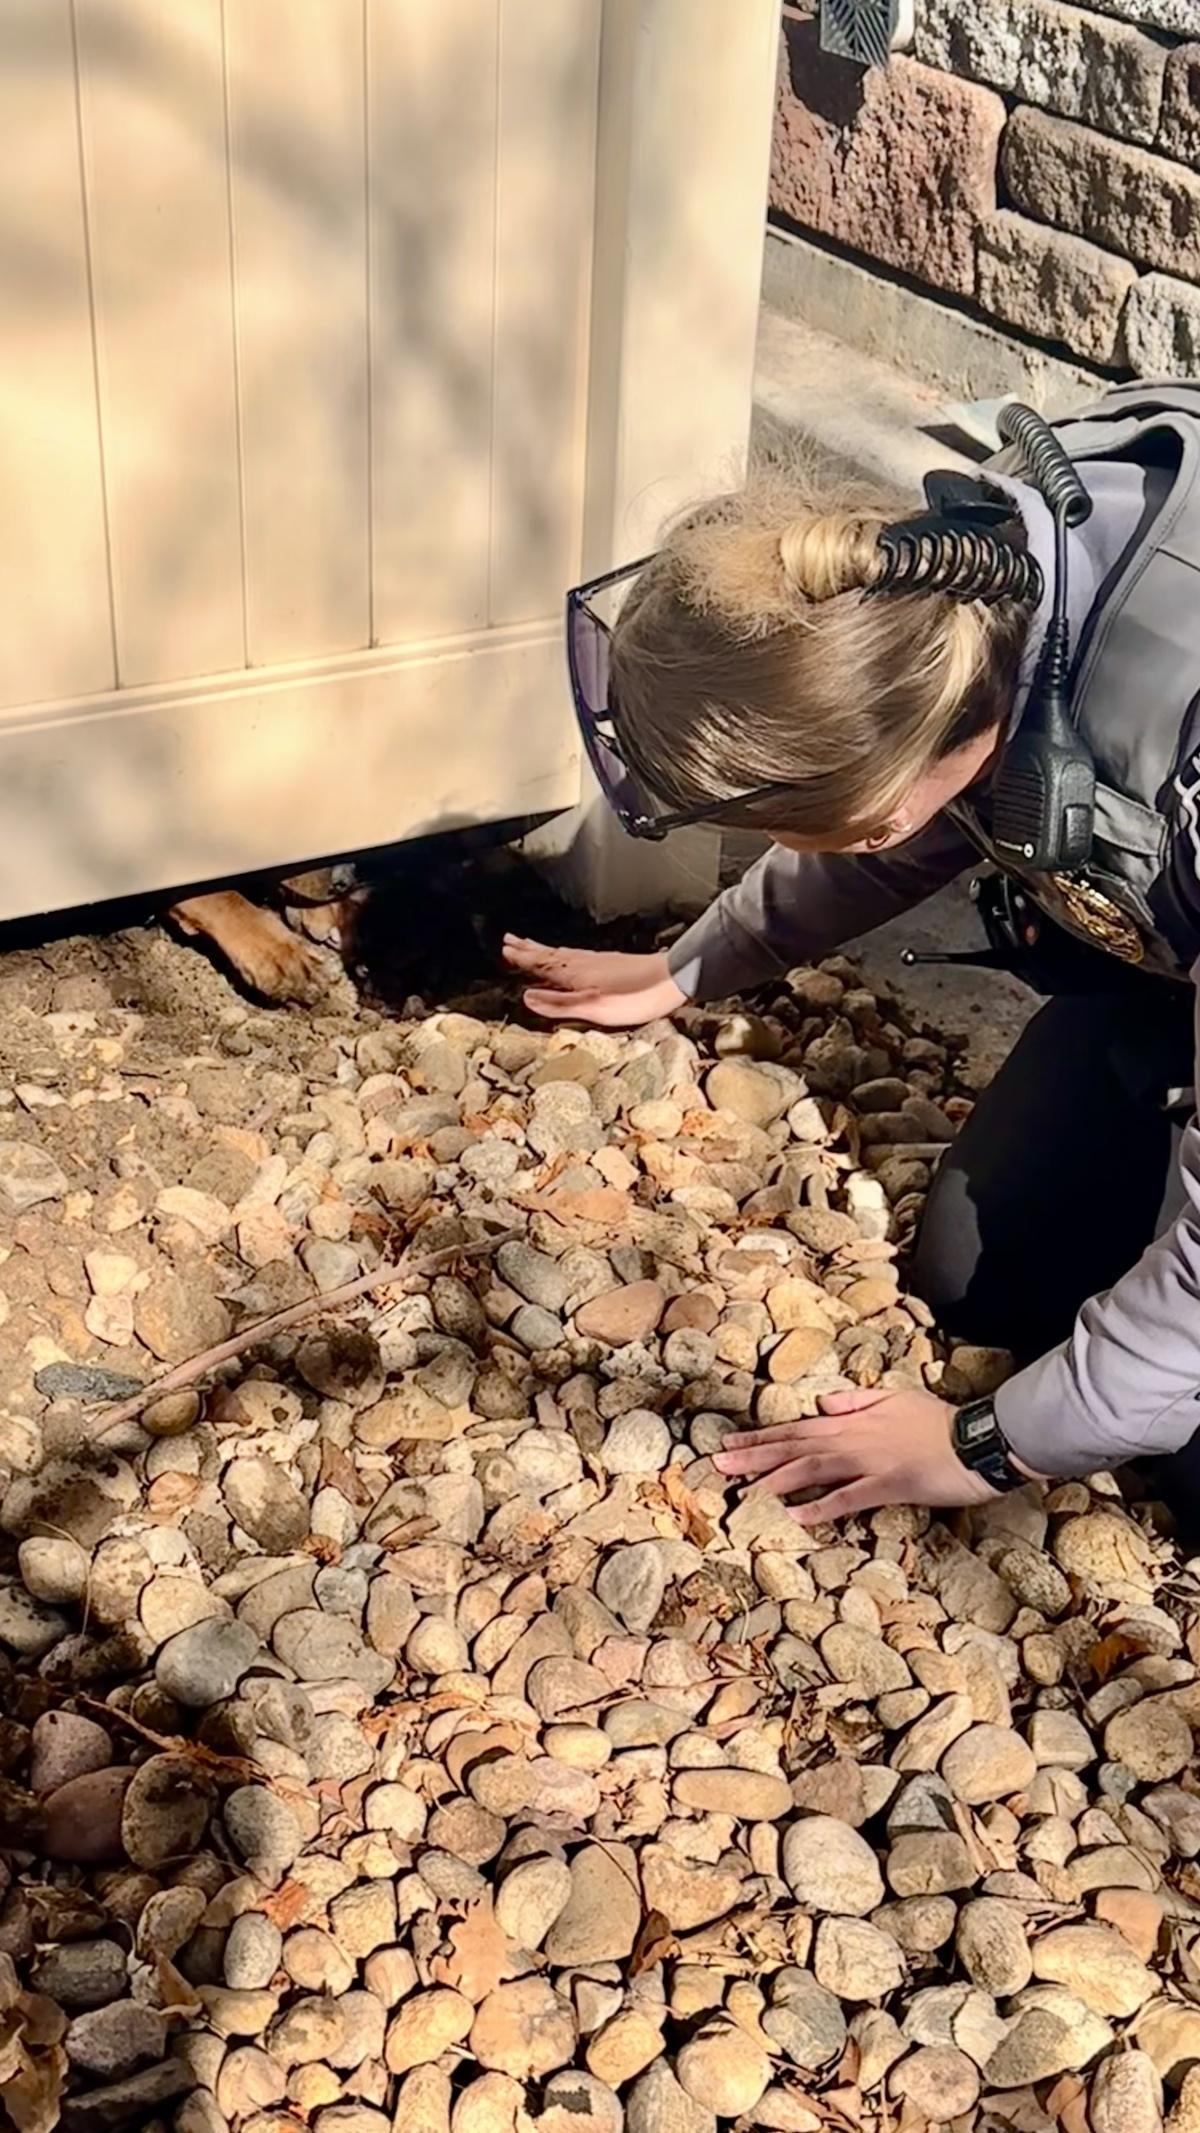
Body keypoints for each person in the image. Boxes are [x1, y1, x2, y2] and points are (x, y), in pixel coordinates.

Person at [503, 384, 1200, 1529]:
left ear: (879, 812)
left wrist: (985, 1447)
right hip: (1171, 956)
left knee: (1180, 1459)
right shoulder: (938, 591)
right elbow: (904, 796)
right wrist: (691, 965)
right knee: (982, 1278)